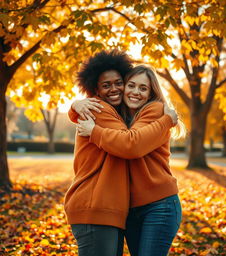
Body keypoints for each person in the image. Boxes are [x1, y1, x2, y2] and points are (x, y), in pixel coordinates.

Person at [64, 51, 178, 256]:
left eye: (119, 83)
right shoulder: (99, 109)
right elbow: (129, 143)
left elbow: (130, 144)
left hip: (155, 204)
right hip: (99, 206)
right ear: (95, 90)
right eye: (106, 85)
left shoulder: (153, 110)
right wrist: (75, 106)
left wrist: (166, 120)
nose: (116, 89)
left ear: (152, 92)